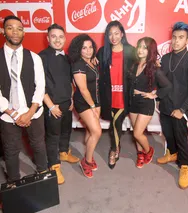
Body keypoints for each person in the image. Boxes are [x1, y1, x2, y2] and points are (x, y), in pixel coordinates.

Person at [0, 15, 49, 183]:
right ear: (4, 31)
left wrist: (30, 112)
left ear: (24, 32)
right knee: (11, 151)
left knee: (39, 145)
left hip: (33, 112)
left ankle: (44, 176)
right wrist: (15, 115)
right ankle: (14, 183)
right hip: (8, 114)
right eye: (10, 28)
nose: (15, 32)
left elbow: (40, 86)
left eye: (19, 28)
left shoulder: (34, 58)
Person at [157, 22, 188, 189]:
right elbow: (162, 83)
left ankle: (184, 165)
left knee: (181, 138)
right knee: (168, 135)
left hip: (180, 108)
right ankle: (173, 154)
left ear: (187, 40)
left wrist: (182, 109)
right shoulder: (166, 58)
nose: (176, 41)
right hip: (166, 106)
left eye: (181, 38)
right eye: (174, 37)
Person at [39, 24, 79, 184]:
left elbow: (69, 81)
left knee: (66, 131)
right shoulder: (41, 57)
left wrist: (71, 98)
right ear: (48, 38)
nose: (57, 39)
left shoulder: (67, 57)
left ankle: (64, 152)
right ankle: (54, 165)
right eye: (53, 36)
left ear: (65, 38)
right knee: (52, 136)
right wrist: (50, 106)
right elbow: (38, 85)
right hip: (52, 105)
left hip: (66, 103)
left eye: (60, 36)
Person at [128, 37, 172, 168]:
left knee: (137, 133)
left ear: (150, 50)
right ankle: (140, 154)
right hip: (133, 102)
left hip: (145, 103)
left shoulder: (154, 68)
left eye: (144, 48)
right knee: (135, 131)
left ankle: (148, 150)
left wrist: (154, 94)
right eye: (139, 46)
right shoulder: (134, 64)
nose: (140, 50)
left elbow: (168, 86)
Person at [97, 21, 136, 169]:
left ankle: (114, 150)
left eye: (116, 33)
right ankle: (117, 146)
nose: (113, 37)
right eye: (110, 34)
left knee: (115, 123)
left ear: (122, 34)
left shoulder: (131, 51)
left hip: (124, 96)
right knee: (115, 122)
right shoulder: (102, 52)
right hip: (108, 95)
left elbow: (141, 67)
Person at [68, 34, 101, 178]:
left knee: (90, 130)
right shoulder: (78, 64)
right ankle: (86, 162)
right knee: (97, 131)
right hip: (84, 102)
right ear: (78, 50)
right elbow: (82, 89)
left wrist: (96, 104)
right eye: (84, 48)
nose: (88, 50)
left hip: (95, 100)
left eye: (90, 47)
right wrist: (93, 106)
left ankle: (89, 155)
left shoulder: (92, 61)